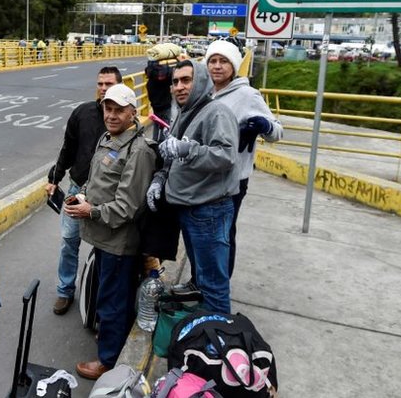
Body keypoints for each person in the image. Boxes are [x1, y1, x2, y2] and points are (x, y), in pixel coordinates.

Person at [63, 84, 156, 380]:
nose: (112, 115)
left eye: (119, 110)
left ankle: (109, 361)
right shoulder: (109, 138)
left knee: (112, 301)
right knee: (108, 295)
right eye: (108, 108)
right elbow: (97, 181)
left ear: (133, 113)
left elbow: (128, 208)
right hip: (102, 238)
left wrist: (89, 211)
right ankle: (110, 341)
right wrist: (83, 196)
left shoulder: (138, 150)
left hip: (119, 242)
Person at [146, 61, 239, 314]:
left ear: (199, 81)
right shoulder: (185, 113)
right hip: (190, 209)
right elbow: (172, 155)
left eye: (186, 80)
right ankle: (205, 324)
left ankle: (219, 339)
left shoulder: (216, 112)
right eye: (175, 82)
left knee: (214, 284)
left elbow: (227, 156)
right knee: (202, 276)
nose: (179, 87)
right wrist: (160, 178)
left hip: (210, 210)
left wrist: (189, 150)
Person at [45, 66, 122, 315]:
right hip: (76, 189)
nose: (103, 88)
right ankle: (65, 291)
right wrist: (54, 178)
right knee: (69, 242)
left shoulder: (123, 119)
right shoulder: (82, 113)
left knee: (104, 250)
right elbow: (67, 149)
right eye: (100, 83)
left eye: (108, 83)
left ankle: (98, 299)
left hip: (106, 196)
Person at [203, 40, 283, 277]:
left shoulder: (248, 95)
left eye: (223, 61)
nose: (217, 66)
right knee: (203, 234)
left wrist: (264, 125)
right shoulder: (203, 93)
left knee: (224, 234)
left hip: (233, 180)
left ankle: (219, 286)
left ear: (235, 65)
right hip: (203, 176)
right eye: (212, 61)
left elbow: (277, 132)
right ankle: (200, 281)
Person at [144, 42, 185, 140]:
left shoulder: (152, 73)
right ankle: (162, 145)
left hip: (155, 104)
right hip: (165, 104)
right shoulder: (166, 75)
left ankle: (154, 143)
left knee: (157, 124)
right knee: (166, 126)